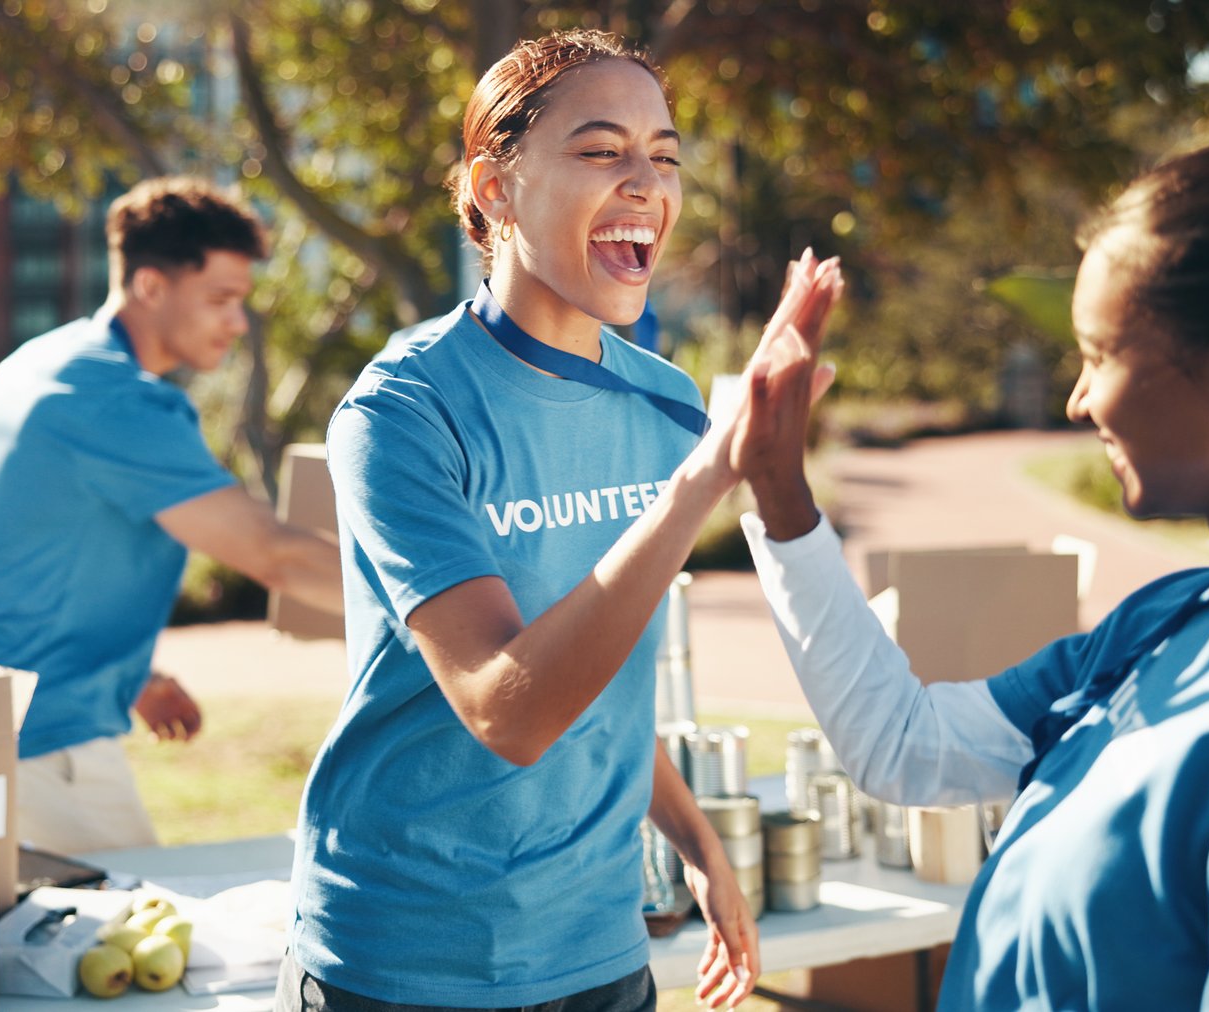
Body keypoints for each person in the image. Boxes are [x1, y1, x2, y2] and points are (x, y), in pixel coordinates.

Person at [738, 125, 1209, 1008]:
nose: (1079, 400)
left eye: (1101, 354)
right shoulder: (1170, 619)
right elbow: (907, 747)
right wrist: (780, 494)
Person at [281, 30, 841, 1011]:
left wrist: (698, 841)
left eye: (664, 156)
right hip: (405, 960)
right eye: (600, 150)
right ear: (495, 188)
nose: (646, 183)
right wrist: (709, 475)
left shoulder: (665, 405)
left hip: (597, 950)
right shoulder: (402, 414)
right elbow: (509, 709)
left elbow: (598, 675)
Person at [0, 176, 343, 855]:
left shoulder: (44, 363)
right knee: (149, 914)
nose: (238, 322)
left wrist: (130, 680)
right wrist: (442, 604)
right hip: (37, 743)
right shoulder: (112, 400)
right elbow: (274, 554)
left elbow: (35, 555)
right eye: (220, 299)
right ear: (150, 286)